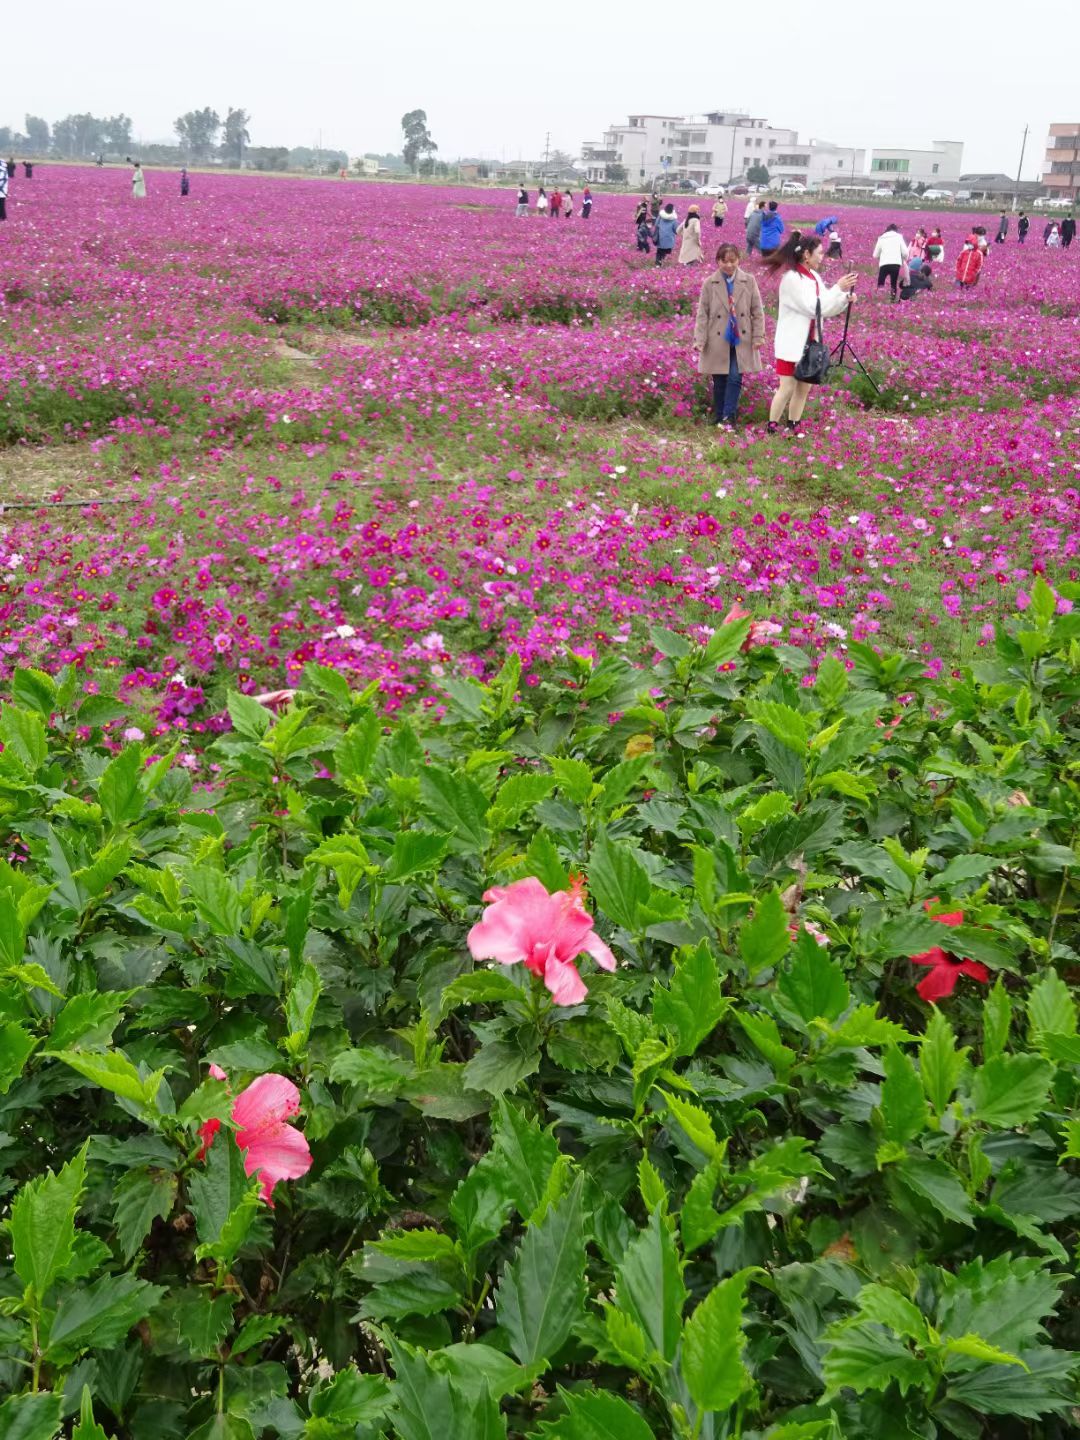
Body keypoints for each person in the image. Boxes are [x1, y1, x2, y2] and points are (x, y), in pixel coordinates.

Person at [763, 231, 856, 435]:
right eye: (820, 253)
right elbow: (811, 306)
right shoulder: (791, 279)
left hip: (810, 343)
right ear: (807, 254)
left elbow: (826, 308)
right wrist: (837, 288)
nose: (822, 257)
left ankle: (793, 424)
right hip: (792, 342)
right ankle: (772, 426)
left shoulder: (814, 277)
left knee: (804, 388)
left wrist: (843, 299)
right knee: (787, 386)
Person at [693, 242, 766, 427]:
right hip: (718, 338)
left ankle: (728, 418)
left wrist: (759, 336)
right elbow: (703, 313)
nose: (729, 265)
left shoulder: (749, 281)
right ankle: (719, 416)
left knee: (735, 377)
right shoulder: (710, 283)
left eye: (732, 261)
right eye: (724, 261)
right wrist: (699, 339)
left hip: (741, 337)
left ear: (738, 260)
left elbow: (757, 311)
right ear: (718, 261)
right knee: (719, 380)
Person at [873, 223, 908, 300]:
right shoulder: (899, 237)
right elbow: (905, 252)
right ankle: (892, 299)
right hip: (895, 264)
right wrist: (904, 258)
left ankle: (879, 298)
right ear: (896, 230)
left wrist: (881, 256)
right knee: (893, 283)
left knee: (881, 282)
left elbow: (875, 255)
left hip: (884, 264)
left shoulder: (881, 238)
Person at [653, 201, 679, 266]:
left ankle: (658, 263)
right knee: (666, 250)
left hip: (660, 236)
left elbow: (656, 224)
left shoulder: (660, 216)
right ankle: (661, 260)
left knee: (659, 250)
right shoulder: (674, 219)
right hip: (669, 238)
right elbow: (676, 230)